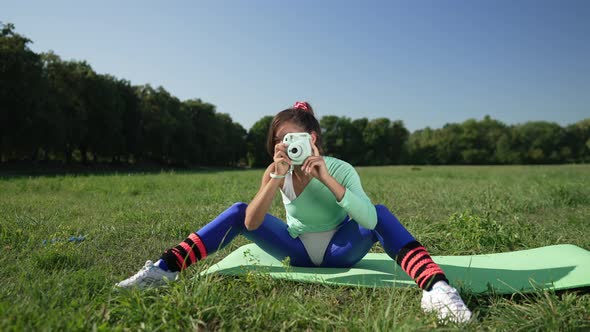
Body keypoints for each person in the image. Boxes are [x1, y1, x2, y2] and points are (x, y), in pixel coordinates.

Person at [116, 101, 472, 323]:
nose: (287, 147)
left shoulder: (341, 168)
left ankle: (435, 288)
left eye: (294, 140)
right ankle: (164, 270)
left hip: (340, 249)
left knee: (378, 211)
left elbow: (368, 222)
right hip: (296, 249)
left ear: (313, 138)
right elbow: (251, 222)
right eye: (280, 141)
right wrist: (275, 179)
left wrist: (326, 178)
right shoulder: (275, 171)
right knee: (240, 207)